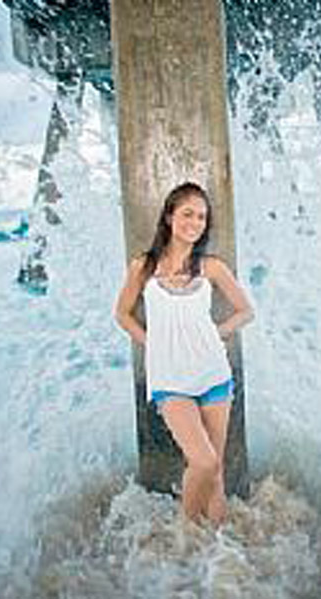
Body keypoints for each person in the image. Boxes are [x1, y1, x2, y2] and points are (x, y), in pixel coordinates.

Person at [114, 181, 254, 526]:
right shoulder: (143, 267)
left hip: (213, 374)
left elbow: (246, 311)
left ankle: (220, 550)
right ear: (169, 216)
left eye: (202, 217)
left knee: (215, 474)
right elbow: (122, 314)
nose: (195, 223)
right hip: (170, 379)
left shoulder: (211, 267)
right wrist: (152, 343)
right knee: (204, 461)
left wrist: (216, 333)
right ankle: (186, 532)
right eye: (188, 214)